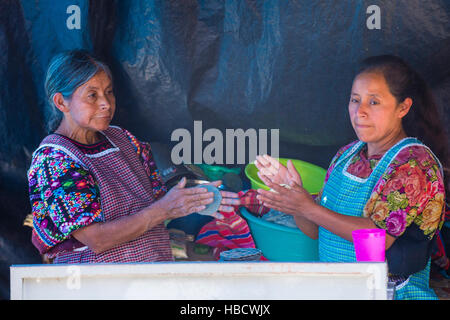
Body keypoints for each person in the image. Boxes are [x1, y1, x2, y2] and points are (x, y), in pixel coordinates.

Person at [255, 55, 449, 300]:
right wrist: (294, 196)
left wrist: (307, 207)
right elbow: (317, 231)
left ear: (403, 107)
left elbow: (378, 238)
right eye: (355, 100)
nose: (360, 111)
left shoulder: (413, 164)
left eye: (374, 102)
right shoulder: (346, 156)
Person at [28, 50, 240, 263]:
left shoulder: (123, 139)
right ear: (61, 103)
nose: (106, 103)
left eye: (109, 92)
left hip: (151, 271)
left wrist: (192, 200)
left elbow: (156, 201)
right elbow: (97, 239)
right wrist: (164, 209)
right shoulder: (54, 160)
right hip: (95, 285)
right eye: (92, 95)